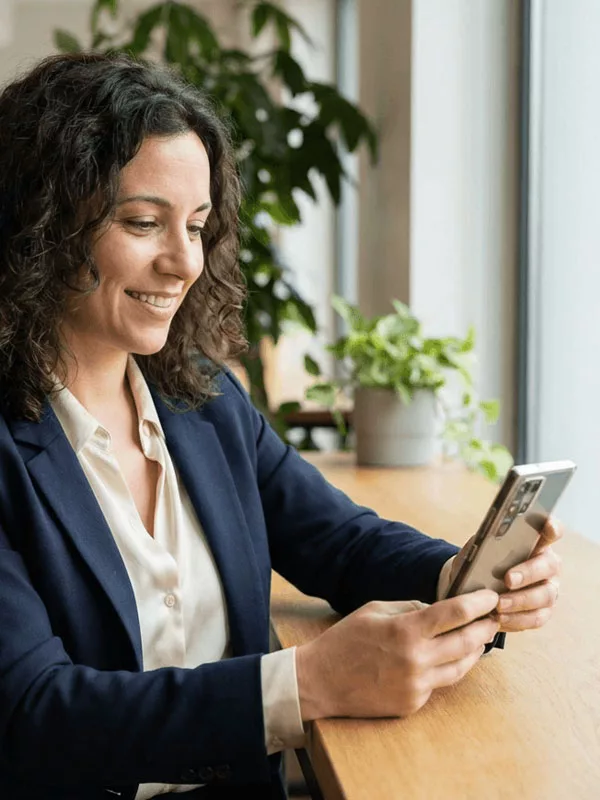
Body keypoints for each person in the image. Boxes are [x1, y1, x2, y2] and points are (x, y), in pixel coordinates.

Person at [0, 53, 561, 800]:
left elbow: (339, 540)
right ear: (42, 227)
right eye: (142, 222)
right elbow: (34, 715)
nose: (182, 262)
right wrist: (304, 684)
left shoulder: (203, 402)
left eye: (197, 227)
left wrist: (469, 577)